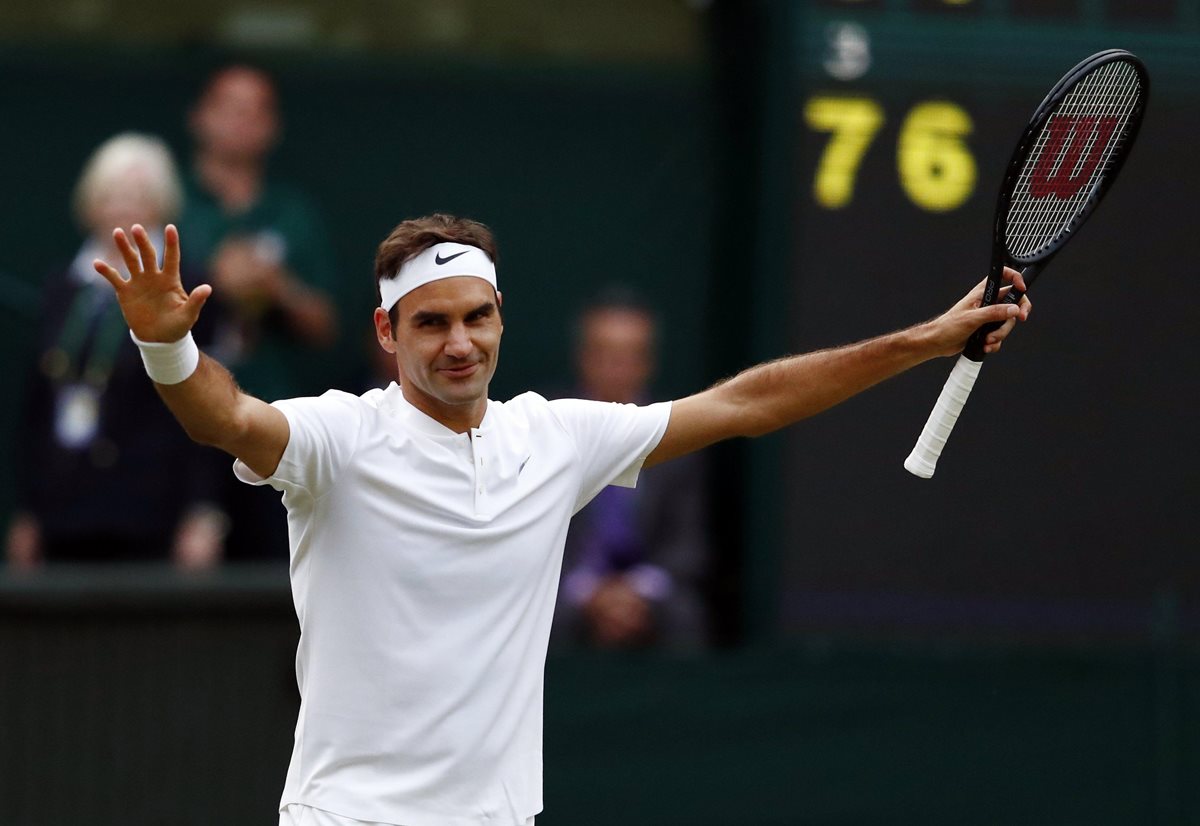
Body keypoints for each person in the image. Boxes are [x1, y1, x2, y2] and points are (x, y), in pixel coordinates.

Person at [91, 213, 1030, 826]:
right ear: (387, 333)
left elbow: (748, 403)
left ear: (501, 316)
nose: (460, 343)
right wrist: (166, 347)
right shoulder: (337, 439)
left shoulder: (555, 438)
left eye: (476, 317)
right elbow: (226, 418)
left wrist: (926, 340)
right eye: (430, 323)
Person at [5, 133, 226, 570]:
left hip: (152, 513)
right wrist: (27, 511)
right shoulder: (62, 287)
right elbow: (37, 405)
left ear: (161, 205)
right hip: (63, 510)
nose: (122, 208)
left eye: (137, 197)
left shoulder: (186, 286)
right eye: (110, 195)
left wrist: (203, 512)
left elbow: (209, 401)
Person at [180, 64, 339, 560]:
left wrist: (276, 286)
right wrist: (211, 279)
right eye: (230, 107)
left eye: (256, 111)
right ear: (200, 116)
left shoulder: (292, 212)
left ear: (273, 126)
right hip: (179, 425)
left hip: (272, 421)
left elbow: (325, 324)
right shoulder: (170, 204)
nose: (242, 121)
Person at [554, 288, 712, 650]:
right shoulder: (548, 429)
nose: (616, 368)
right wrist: (590, 594)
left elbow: (688, 549)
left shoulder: (679, 438)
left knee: (686, 615)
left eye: (629, 356)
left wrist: (635, 594)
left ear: (648, 362)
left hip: (650, 598)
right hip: (567, 593)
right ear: (584, 357)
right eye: (605, 354)